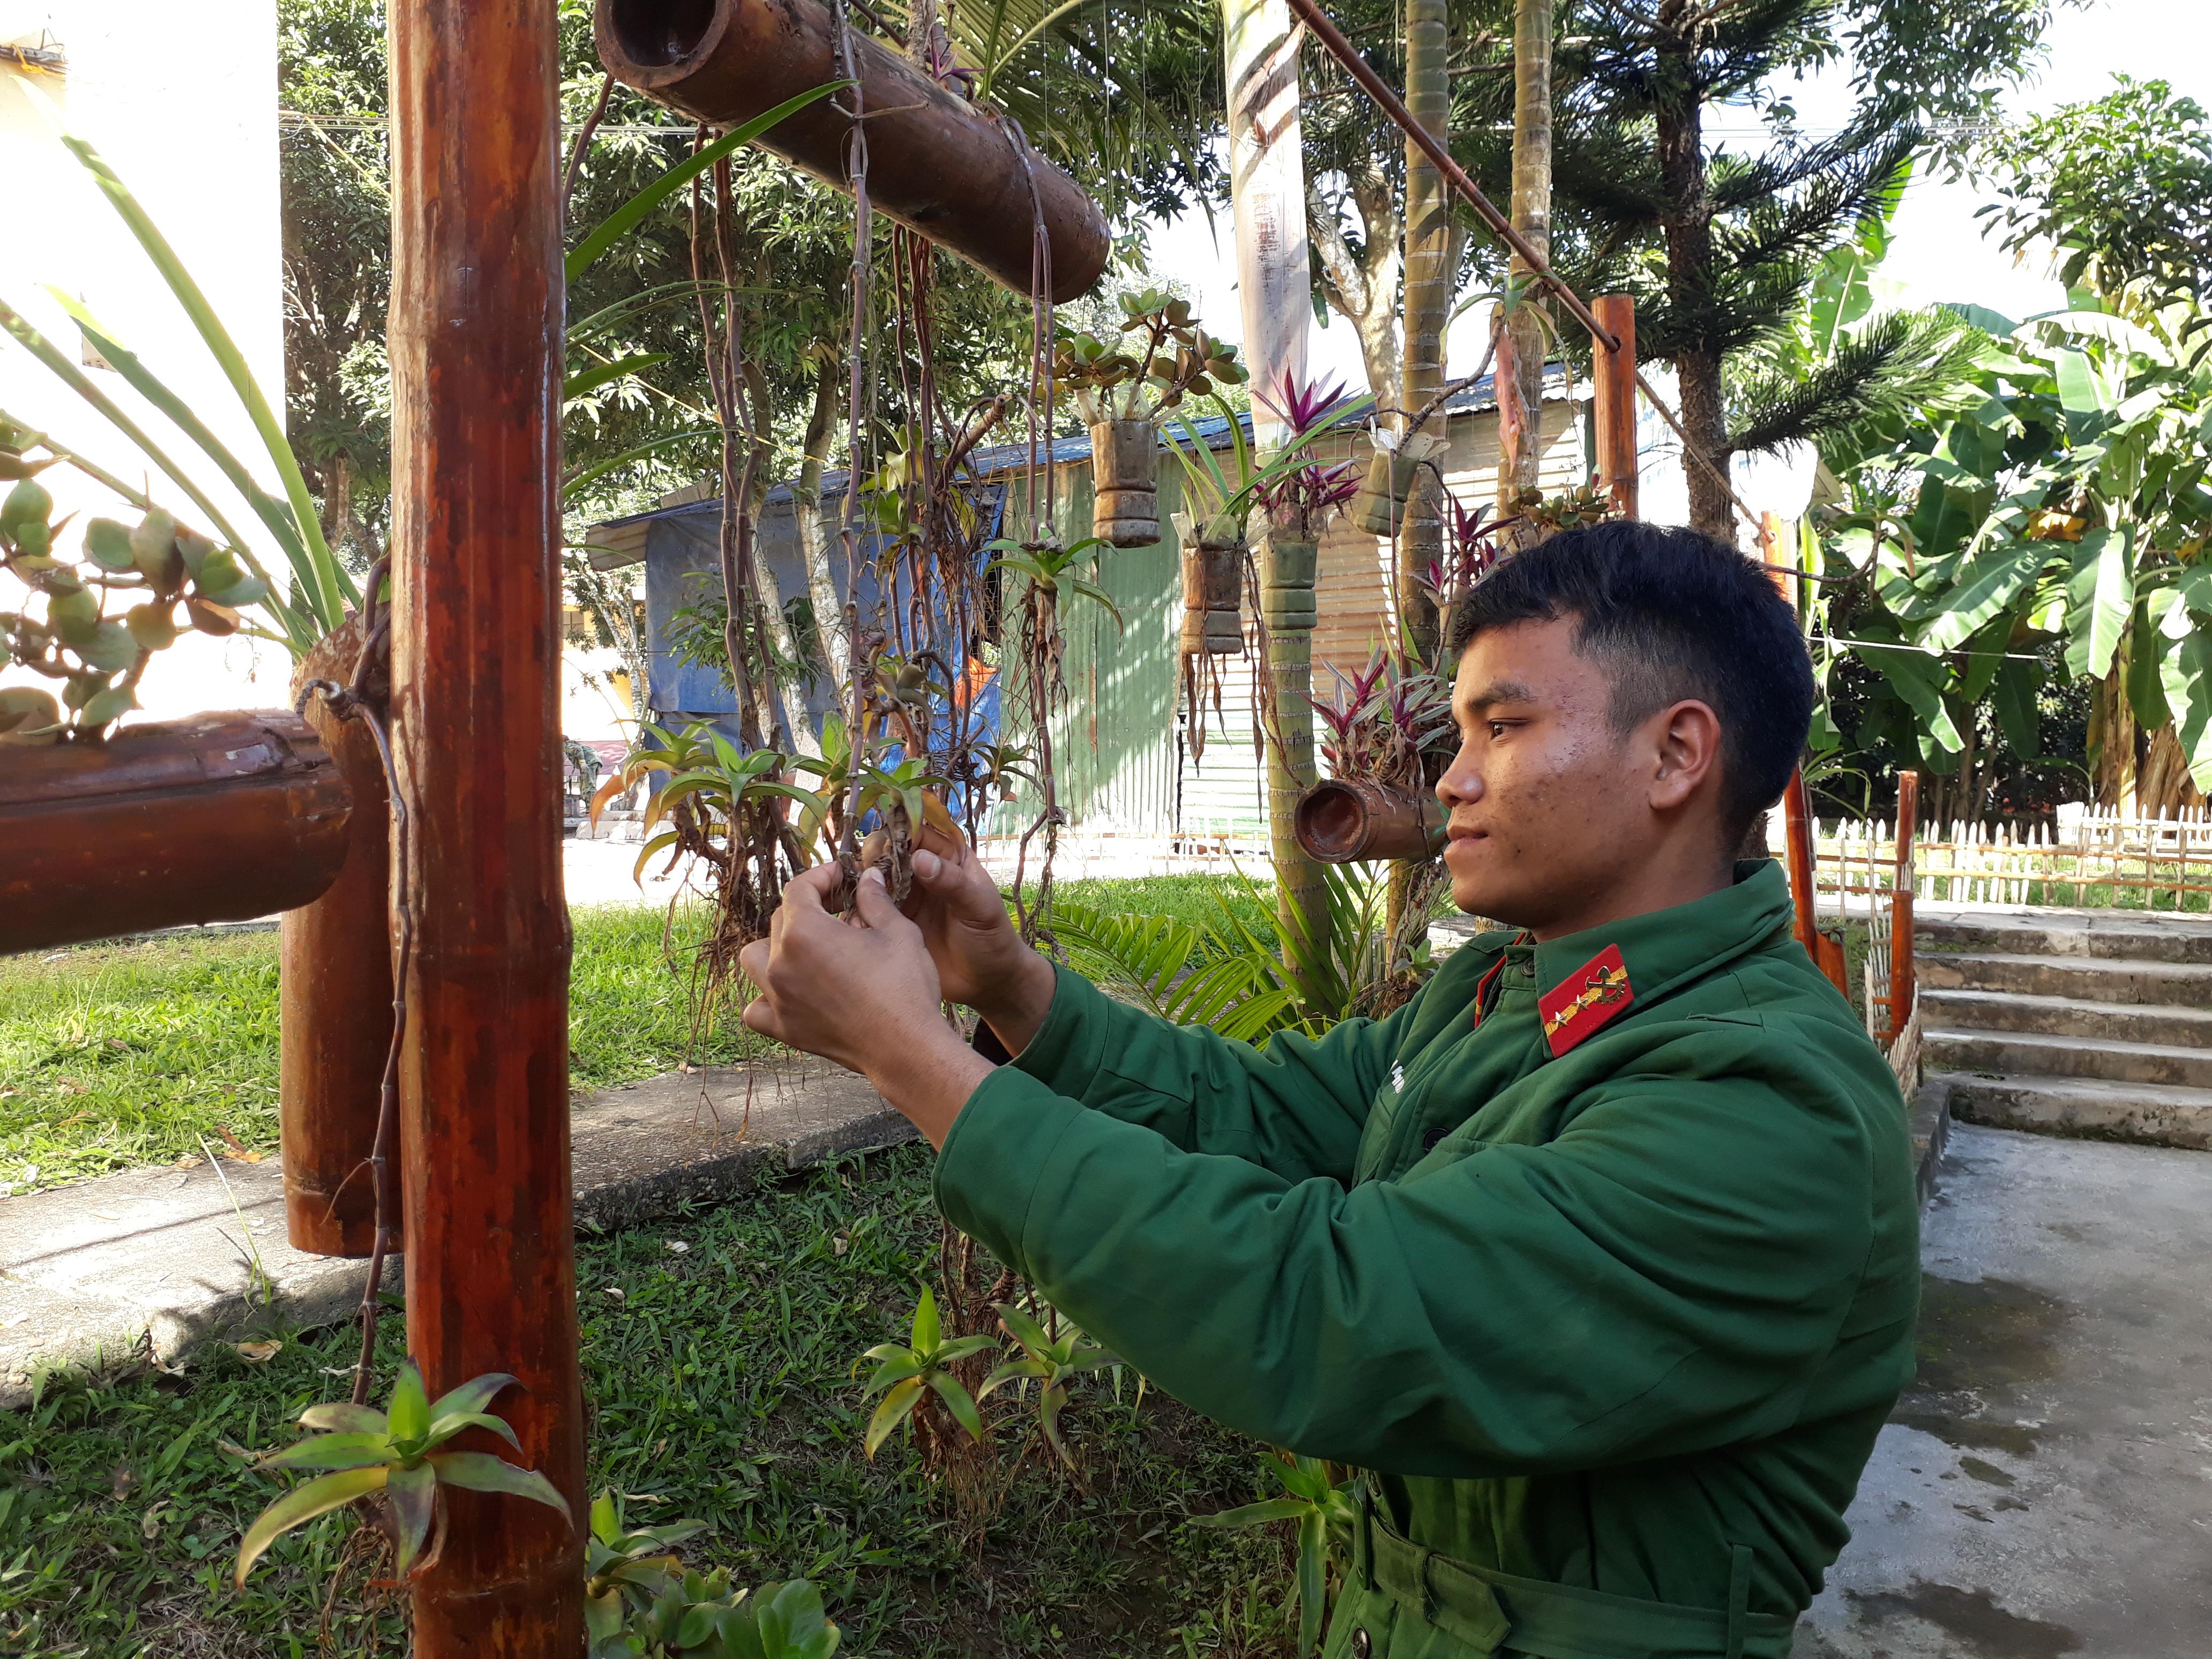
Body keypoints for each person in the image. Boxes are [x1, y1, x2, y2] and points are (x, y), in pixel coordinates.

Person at [741, 521, 1919, 1659]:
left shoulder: (1766, 1105)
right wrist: (1009, 985)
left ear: (1675, 754)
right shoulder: (1513, 995)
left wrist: (912, 1058)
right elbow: (1260, 1113)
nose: (1451, 781)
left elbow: (1329, 1313)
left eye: (1503, 727)